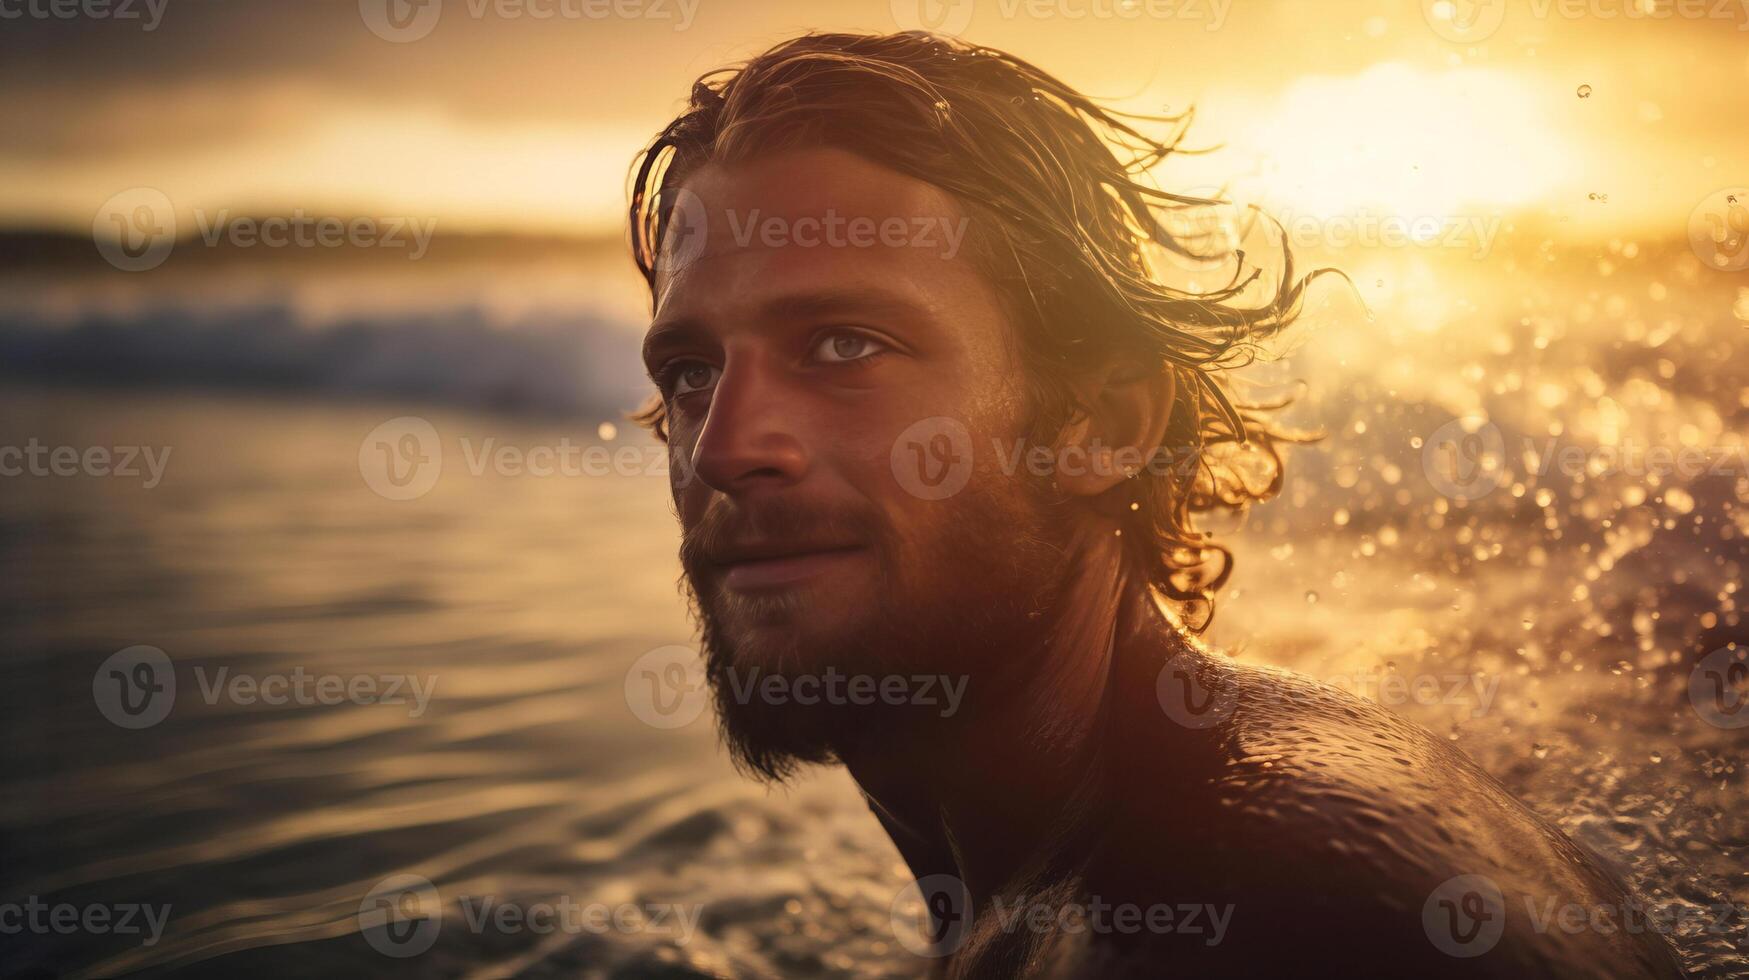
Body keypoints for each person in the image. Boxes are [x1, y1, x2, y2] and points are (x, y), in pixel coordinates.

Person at [628, 31, 1685, 978]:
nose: (724, 446)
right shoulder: (1067, 876)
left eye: (845, 345)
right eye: (689, 372)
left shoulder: (1258, 913)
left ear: (1103, 421)